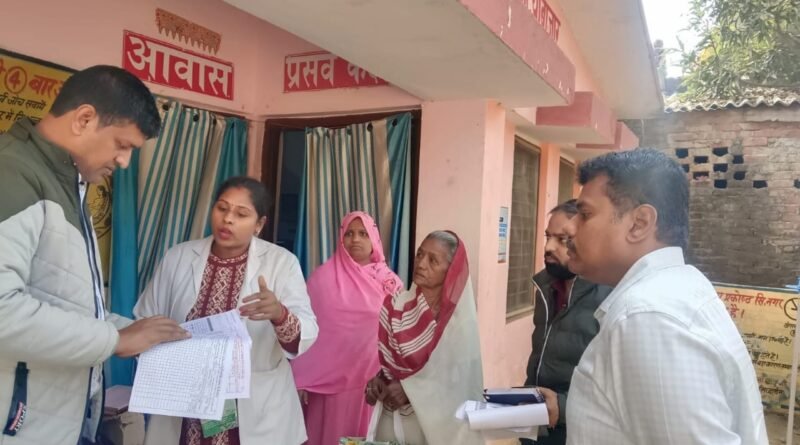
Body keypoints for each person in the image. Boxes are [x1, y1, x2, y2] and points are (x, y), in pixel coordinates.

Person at [0, 65, 189, 445]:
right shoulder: (13, 174)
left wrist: (133, 330)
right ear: (84, 119)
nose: (124, 162)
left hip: (57, 419)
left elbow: (60, 299)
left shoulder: (66, 181)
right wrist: (114, 339)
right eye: (122, 145)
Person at [561, 148, 768, 444]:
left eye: (584, 214)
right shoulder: (673, 291)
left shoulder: (648, 317)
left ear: (640, 223)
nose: (570, 227)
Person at [134, 176, 319, 445]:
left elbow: (305, 336)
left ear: (259, 224)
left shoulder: (281, 263)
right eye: (222, 208)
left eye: (241, 214)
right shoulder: (179, 257)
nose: (228, 219)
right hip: (187, 401)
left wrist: (279, 314)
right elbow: (145, 320)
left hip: (253, 407)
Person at [291, 211, 403, 444]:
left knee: (368, 435)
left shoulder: (390, 282)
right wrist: (302, 377)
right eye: (349, 233)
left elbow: (400, 332)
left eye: (363, 233)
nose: (355, 239)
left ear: (374, 239)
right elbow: (307, 328)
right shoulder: (322, 279)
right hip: (328, 384)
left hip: (373, 382)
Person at [364, 231, 484, 445]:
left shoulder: (458, 322)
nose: (421, 264)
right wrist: (379, 382)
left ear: (451, 270)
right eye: (419, 254)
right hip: (394, 420)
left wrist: (410, 390)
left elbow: (461, 382)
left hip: (438, 425)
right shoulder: (394, 306)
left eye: (433, 260)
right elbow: (390, 368)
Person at [521, 199, 612, 445]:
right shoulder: (546, 288)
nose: (548, 247)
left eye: (562, 239)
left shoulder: (610, 298)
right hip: (537, 425)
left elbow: (617, 387)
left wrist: (562, 406)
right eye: (547, 236)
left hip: (579, 431)